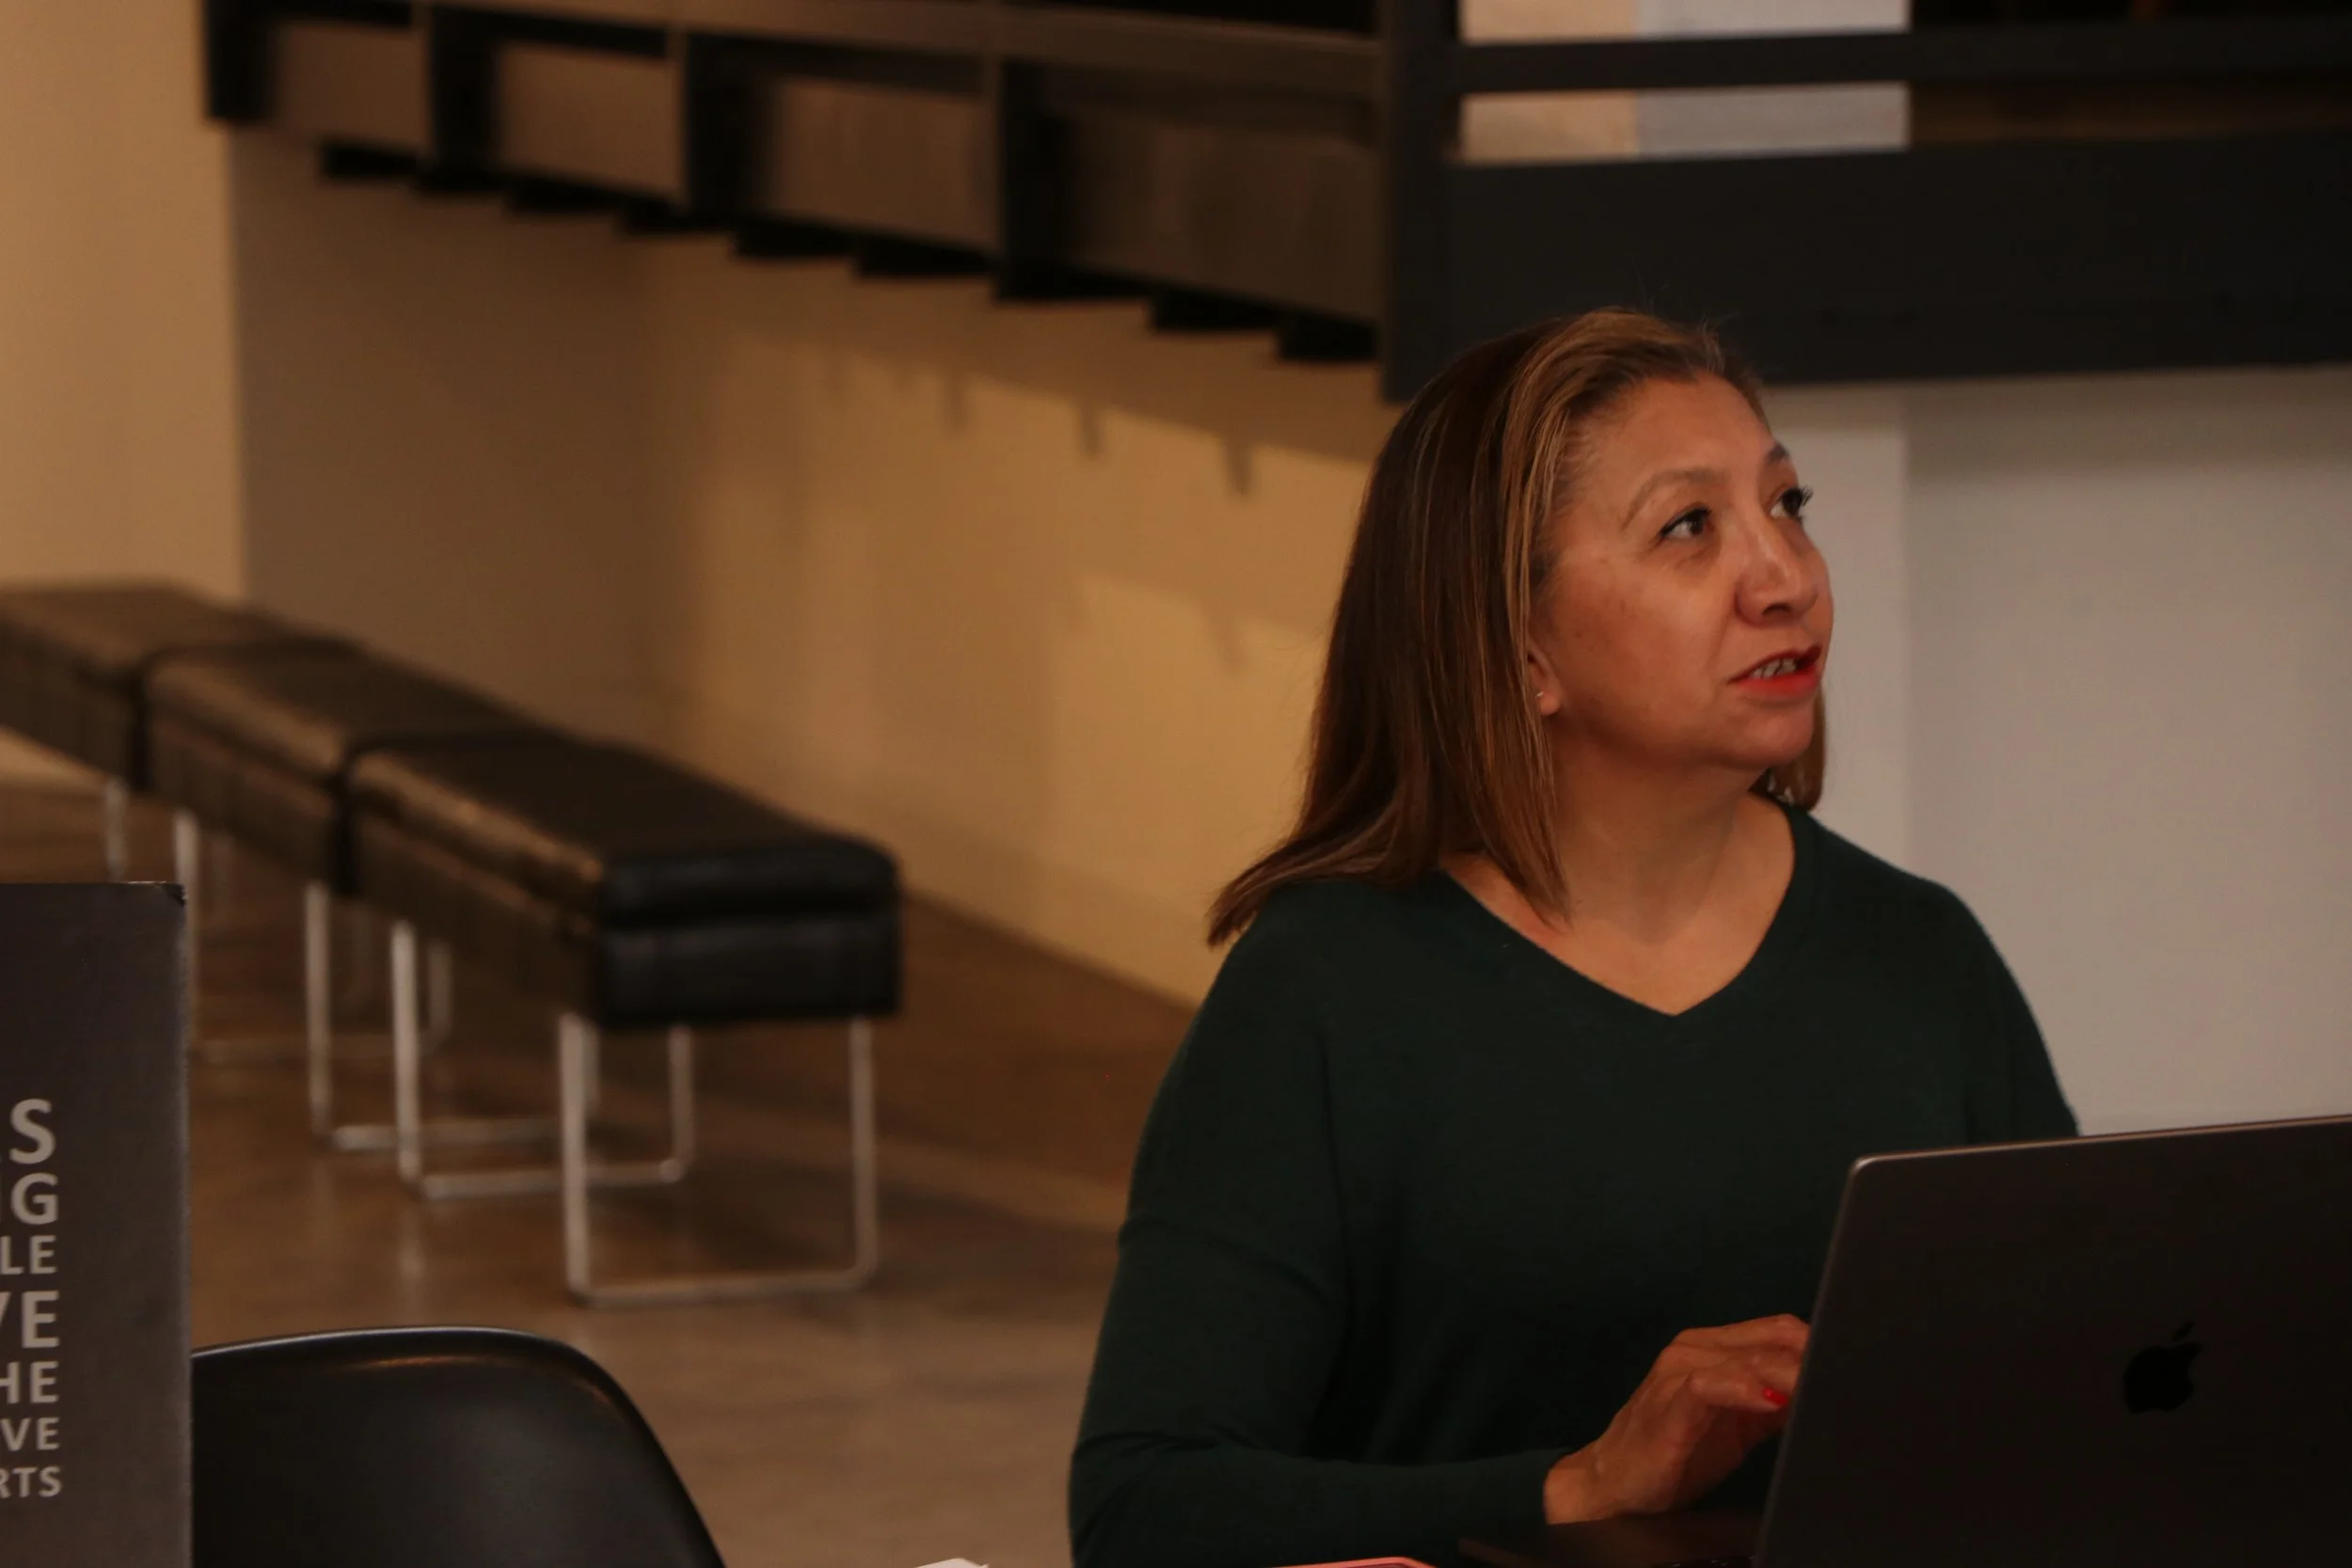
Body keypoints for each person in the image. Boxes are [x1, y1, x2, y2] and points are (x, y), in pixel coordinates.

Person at [1067, 309, 2075, 1568]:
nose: (1785, 576)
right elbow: (1145, 1510)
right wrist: (1581, 1485)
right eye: (1689, 526)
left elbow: (2090, 1390)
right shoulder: (1326, 992)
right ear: (1520, 642)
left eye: (1788, 503)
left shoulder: (1922, 953)